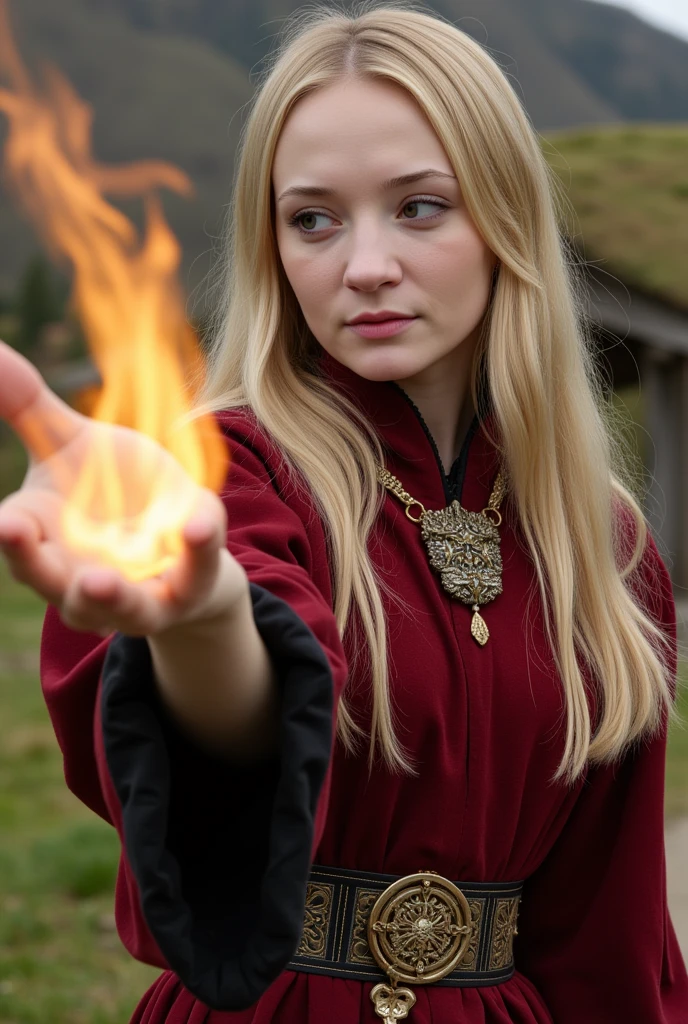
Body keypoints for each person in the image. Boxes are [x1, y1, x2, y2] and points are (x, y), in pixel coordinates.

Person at [0, 2, 686, 1021]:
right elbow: (239, 719)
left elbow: (609, 933)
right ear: (271, 245)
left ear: (503, 221)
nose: (363, 265)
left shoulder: (606, 544)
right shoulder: (224, 474)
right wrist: (203, 616)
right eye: (312, 218)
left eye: (418, 207)